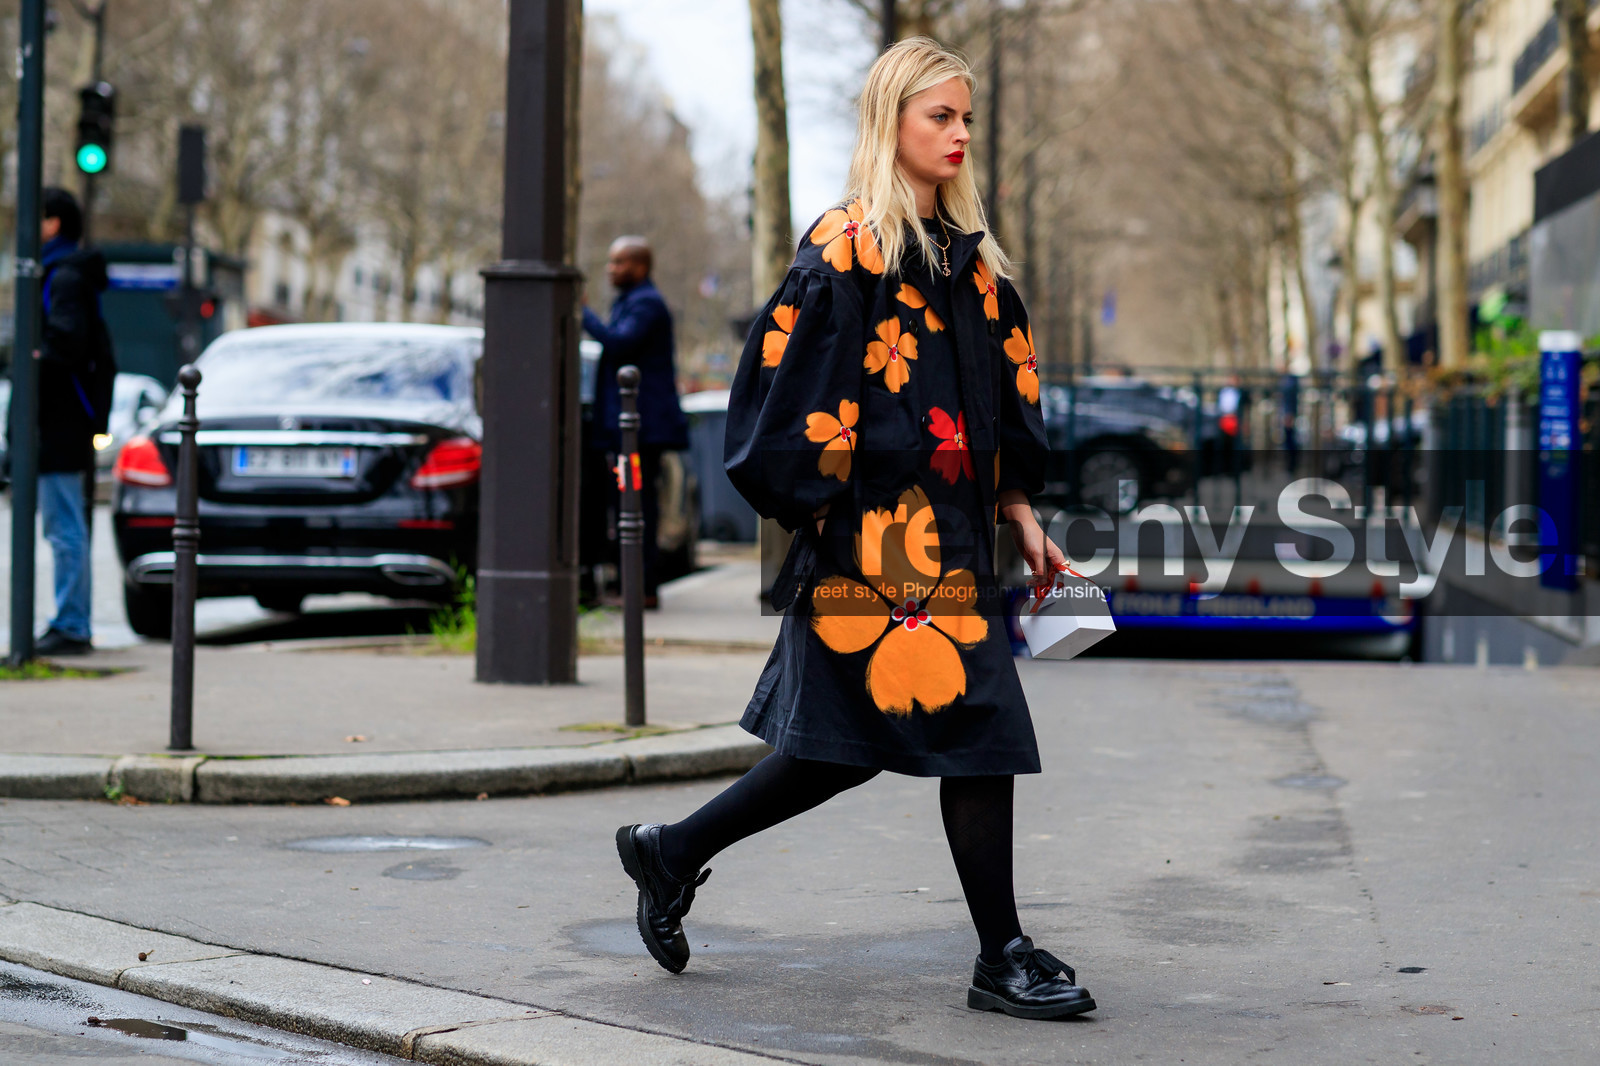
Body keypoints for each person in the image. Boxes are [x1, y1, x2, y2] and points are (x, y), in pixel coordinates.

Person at [614, 39, 1096, 1020]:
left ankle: (669, 852)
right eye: (940, 118)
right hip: (879, 547)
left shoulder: (974, 263)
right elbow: (778, 395)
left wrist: (1016, 509)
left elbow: (996, 397)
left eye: (966, 117)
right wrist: (829, 511)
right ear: (892, 125)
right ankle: (999, 953)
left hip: (954, 536)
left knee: (833, 748)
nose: (961, 134)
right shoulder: (844, 249)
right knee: (979, 729)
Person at [581, 236, 688, 608]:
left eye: (620, 262)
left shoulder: (646, 304)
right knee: (630, 504)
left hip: (642, 430)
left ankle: (642, 589)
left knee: (636, 506)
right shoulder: (633, 300)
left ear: (640, 267)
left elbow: (619, 343)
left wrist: (584, 313)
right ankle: (634, 585)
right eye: (611, 262)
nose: (612, 269)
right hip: (634, 428)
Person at [32, 188, 114, 656]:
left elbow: (65, 342)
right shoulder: (69, 274)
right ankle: (71, 621)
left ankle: (71, 624)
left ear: (52, 224)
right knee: (66, 525)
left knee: (63, 527)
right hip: (69, 415)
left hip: (59, 416)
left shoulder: (61, 278)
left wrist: (35, 354)